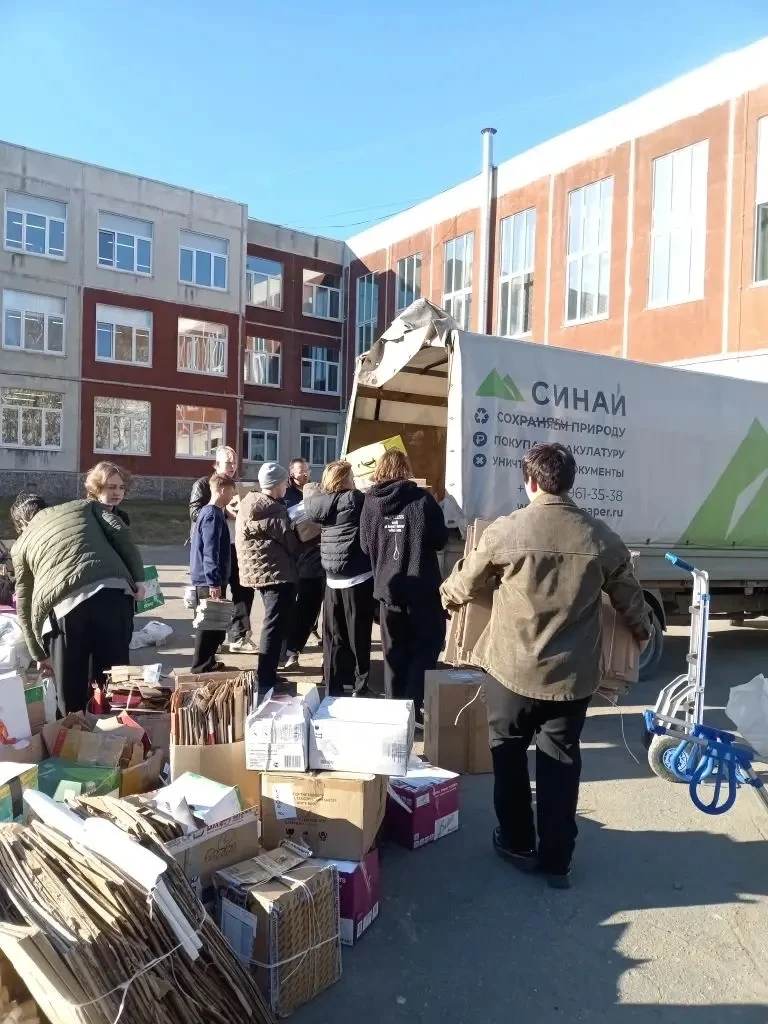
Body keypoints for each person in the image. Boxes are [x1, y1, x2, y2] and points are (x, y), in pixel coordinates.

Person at [440, 442, 651, 889]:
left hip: (511, 672)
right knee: (561, 761)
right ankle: (557, 860)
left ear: (531, 482)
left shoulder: (507, 531)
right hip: (572, 679)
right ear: (569, 482)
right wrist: (643, 629)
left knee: (508, 754)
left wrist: (446, 596)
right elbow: (631, 598)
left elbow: (465, 582)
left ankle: (517, 842)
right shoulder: (600, 537)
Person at [10, 493, 145, 714]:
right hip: (115, 594)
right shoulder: (82, 506)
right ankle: (118, 729)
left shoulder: (21, 543)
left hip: (67, 607)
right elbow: (120, 530)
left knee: (70, 691)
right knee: (115, 681)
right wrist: (139, 578)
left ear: (22, 523)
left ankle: (74, 730)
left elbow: (24, 605)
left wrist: (40, 655)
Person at [359, 450, 448, 722]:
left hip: (389, 589)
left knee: (393, 652)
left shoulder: (370, 502)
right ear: (405, 469)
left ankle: (396, 711)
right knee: (427, 645)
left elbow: (364, 546)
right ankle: (413, 703)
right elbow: (440, 539)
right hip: (422, 589)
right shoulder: (422, 499)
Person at [305, 460, 374, 696]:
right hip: (357, 576)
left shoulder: (320, 503)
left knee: (333, 637)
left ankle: (333, 686)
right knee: (359, 635)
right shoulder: (355, 499)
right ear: (346, 478)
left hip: (331, 578)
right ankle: (360, 685)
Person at [236, 462, 298, 691]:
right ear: (276, 484)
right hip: (276, 575)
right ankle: (265, 678)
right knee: (273, 626)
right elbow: (292, 543)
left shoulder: (249, 504)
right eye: (284, 483)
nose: (286, 487)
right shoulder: (273, 511)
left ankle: (268, 673)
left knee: (273, 623)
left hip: (263, 573)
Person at [189, 446, 256, 654]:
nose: (232, 467)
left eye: (235, 462)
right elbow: (195, 512)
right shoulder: (204, 485)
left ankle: (239, 636)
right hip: (215, 547)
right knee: (215, 592)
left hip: (239, 544)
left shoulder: (239, 486)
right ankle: (212, 641)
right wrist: (225, 510)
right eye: (228, 463)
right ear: (216, 465)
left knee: (244, 590)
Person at [189, 473, 236, 673]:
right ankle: (200, 666)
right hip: (208, 580)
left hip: (208, 578)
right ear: (223, 490)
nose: (232, 496)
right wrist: (214, 582)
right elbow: (210, 550)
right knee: (208, 623)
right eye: (232, 492)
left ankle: (209, 661)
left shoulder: (210, 513)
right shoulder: (212, 515)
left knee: (214, 624)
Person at [284, 481, 326, 670]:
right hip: (317, 571)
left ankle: (292, 652)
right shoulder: (316, 513)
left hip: (308, 571)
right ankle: (294, 652)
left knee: (304, 614)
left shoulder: (293, 513)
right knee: (312, 614)